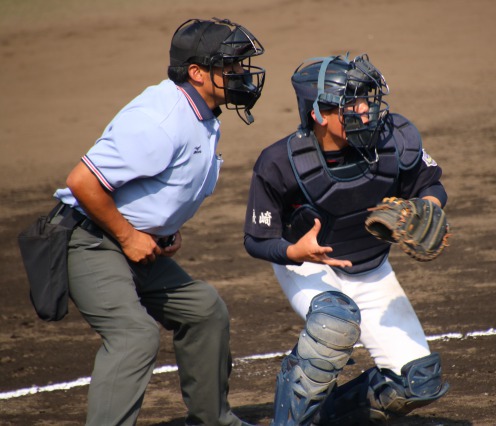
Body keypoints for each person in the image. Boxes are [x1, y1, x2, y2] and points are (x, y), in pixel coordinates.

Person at [48, 18, 265, 426]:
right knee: (134, 336)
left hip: (130, 240)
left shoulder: (201, 112)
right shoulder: (161, 119)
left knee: (204, 310)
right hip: (90, 239)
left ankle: (212, 419)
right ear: (197, 73)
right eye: (231, 66)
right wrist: (129, 235)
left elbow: (165, 184)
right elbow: (81, 182)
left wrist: (163, 228)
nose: (242, 75)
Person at [243, 53, 450, 425]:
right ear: (318, 113)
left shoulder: (393, 141)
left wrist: (428, 207)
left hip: (370, 267)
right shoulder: (280, 163)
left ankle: (326, 415)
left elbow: (429, 184)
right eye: (351, 103)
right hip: (308, 268)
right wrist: (294, 251)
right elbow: (256, 240)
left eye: (367, 99)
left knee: (419, 383)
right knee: (333, 323)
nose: (365, 110)